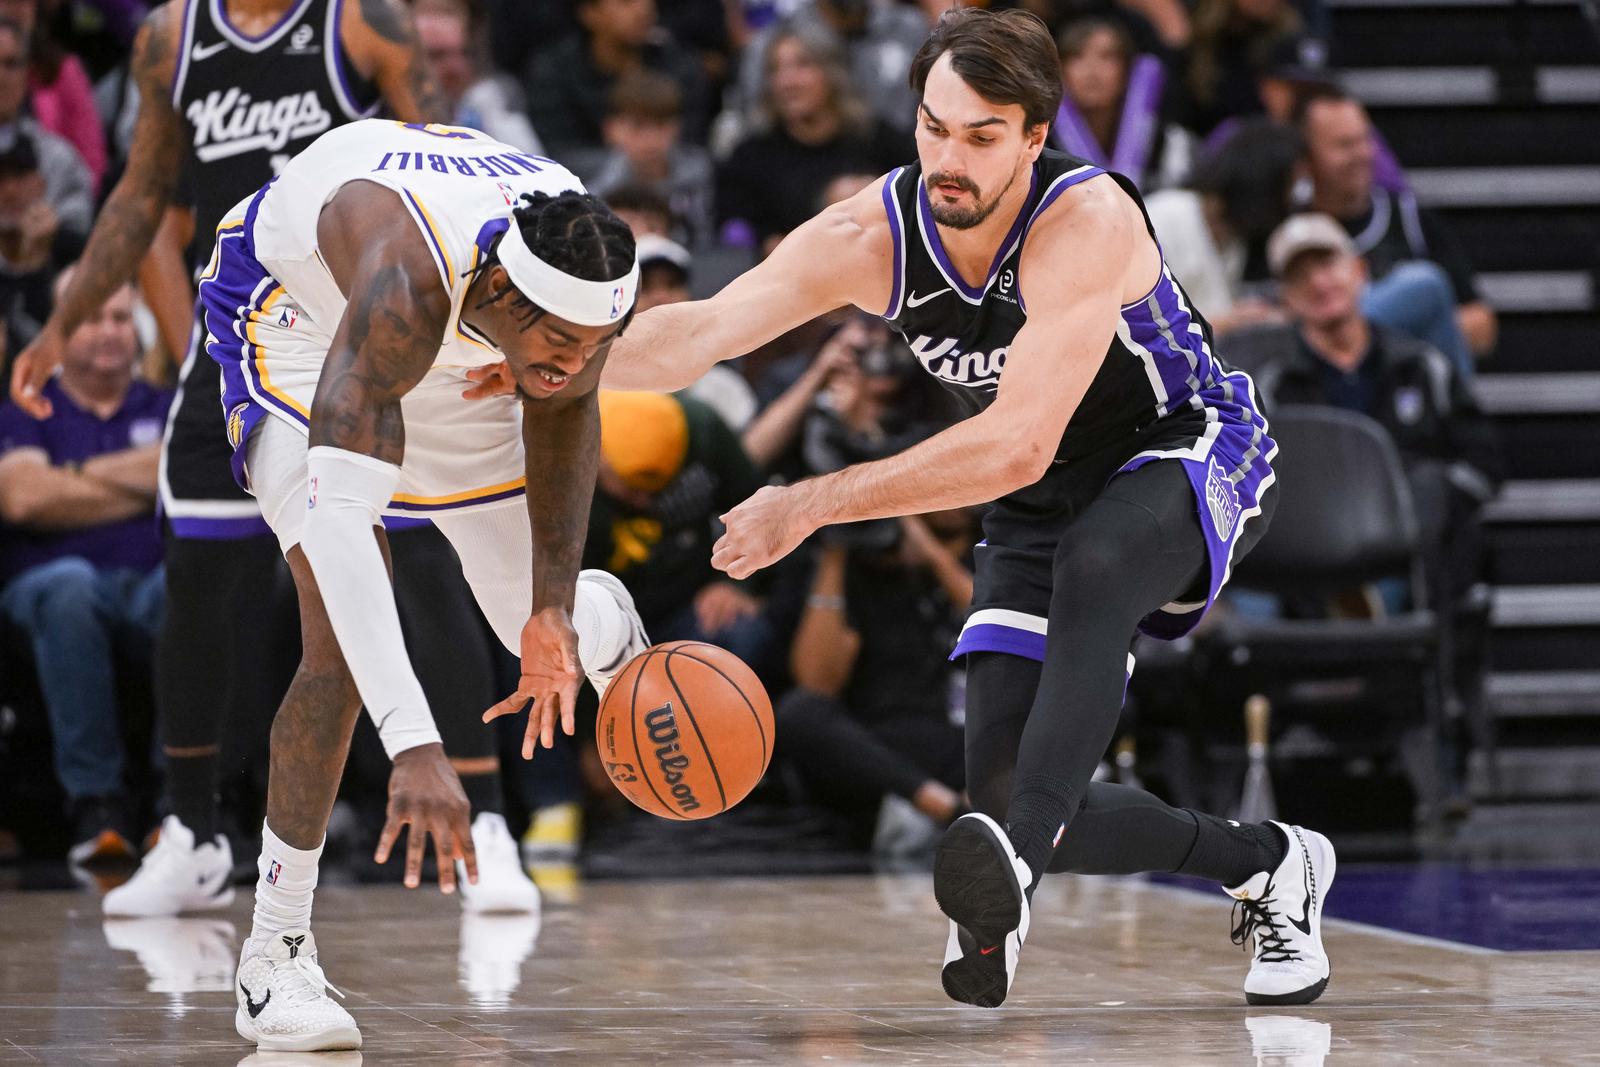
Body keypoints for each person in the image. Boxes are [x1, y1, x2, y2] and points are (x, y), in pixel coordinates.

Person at [596, 8, 1333, 1010]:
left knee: (1097, 574)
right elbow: (705, 332)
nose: (949, 156)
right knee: (1011, 800)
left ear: (1034, 136)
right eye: (934, 126)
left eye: (981, 135)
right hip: (1035, 493)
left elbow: (1017, 437)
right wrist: (546, 361)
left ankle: (1012, 879)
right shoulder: (875, 230)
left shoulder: (1087, 219)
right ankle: (1268, 861)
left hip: (1182, 443)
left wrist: (811, 502)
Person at [8, 0, 537, 921]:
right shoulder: (171, 37)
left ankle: (487, 819)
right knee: (199, 574)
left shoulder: (366, 22)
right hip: (245, 325)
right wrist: (69, 319)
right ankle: (192, 832)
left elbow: (438, 175)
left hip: (366, 323)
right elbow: (144, 197)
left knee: (419, 554)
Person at [190, 120, 652, 1051]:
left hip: (461, 345)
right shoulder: (407, 275)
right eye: (558, 338)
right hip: (295, 319)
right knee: (340, 646)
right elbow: (342, 533)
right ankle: (274, 953)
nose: (575, 358)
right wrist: (416, 746)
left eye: (595, 341)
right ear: (501, 290)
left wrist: (553, 612)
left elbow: (564, 413)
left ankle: (610, 627)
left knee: (538, 611)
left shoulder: (573, 281)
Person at [1251, 213, 1503, 622]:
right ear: (1287, 299)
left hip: (1412, 548)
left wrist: (1431, 497)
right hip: (1315, 550)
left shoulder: (1424, 367)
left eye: (1328, 264)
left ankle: (1386, 615)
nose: (1319, 283)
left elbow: (1484, 465)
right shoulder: (1275, 389)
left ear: (1359, 272)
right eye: (1300, 276)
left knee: (1435, 500)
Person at [0, 278, 167, 865]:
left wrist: (71, 474)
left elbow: (185, 474)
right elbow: (23, 499)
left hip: (150, 583)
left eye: (121, 318)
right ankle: (97, 806)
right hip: (46, 587)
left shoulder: (165, 405)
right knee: (70, 588)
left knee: (190, 592)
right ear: (60, 333)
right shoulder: (25, 407)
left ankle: (182, 805)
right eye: (91, 318)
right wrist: (141, 484)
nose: (109, 331)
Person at [779, 509, 972, 853]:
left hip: (963, 738)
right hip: (882, 749)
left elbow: (1004, 631)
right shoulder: (850, 568)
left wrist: (933, 556)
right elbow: (816, 681)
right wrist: (834, 551)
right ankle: (947, 810)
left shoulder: (988, 548)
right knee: (799, 711)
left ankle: (965, 809)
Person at [1295, 85, 1493, 372]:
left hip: (1404, 388)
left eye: (1365, 140)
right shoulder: (1287, 226)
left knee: (1423, 285)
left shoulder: (1410, 216)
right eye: (1344, 145)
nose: (1362, 154)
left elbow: (1483, 327)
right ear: (1307, 159)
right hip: (1321, 388)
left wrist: (1405, 321)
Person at [586, 390, 777, 672]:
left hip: (690, 602)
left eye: (659, 486)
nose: (646, 501)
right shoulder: (565, 467)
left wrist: (735, 583)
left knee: (744, 633)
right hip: (603, 619)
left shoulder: (701, 428)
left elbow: (758, 508)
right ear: (598, 457)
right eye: (633, 489)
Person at [715, 21, 904, 253]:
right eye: (775, 69)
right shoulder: (750, 158)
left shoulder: (877, 139)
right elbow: (736, 235)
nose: (787, 82)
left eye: (802, 65)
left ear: (833, 71)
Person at [1144, 118, 1299, 333]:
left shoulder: (1234, 241)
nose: (1295, 197)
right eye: (1290, 185)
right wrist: (1230, 322)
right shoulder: (1162, 218)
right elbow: (1142, 329)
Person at [521, 0, 709, 169]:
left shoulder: (679, 65)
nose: (643, 9)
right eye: (626, 2)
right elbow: (560, 154)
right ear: (589, 13)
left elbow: (691, 146)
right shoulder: (555, 70)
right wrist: (628, 163)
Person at [1053, 17, 1193, 193]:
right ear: (1061, 71)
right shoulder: (1038, 142)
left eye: (1106, 57)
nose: (1092, 70)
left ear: (1127, 70)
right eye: (1077, 56)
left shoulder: (1166, 142)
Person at [588, 69, 715, 249]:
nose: (651, 139)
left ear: (677, 127)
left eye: (661, 125)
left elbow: (707, 240)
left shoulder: (700, 172)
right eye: (637, 126)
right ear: (611, 129)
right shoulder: (597, 191)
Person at [0, 17, 91, 239]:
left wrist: (53, 228)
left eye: (11, 64)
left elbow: (82, 220)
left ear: (27, 73)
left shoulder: (58, 158)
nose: (1, 76)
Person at [414, 0, 544, 154]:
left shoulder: (488, 98)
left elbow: (530, 162)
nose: (457, 68)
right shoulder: (386, 113)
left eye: (466, 53)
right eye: (437, 55)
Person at [0, 126, 82, 355]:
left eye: (19, 176)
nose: (10, 191)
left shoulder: (77, 252)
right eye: (0, 178)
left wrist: (40, 262)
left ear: (40, 184)